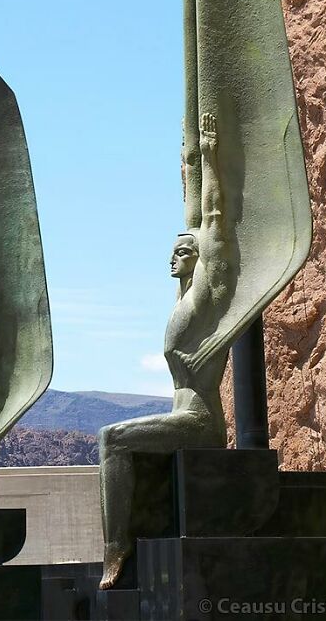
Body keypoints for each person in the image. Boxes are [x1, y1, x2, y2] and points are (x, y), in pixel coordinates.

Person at [98, 114, 237, 589]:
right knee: (114, 439)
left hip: (199, 420)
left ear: (199, 258)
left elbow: (213, 218)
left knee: (112, 438)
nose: (173, 256)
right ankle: (125, 542)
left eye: (181, 250)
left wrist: (212, 157)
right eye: (173, 250)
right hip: (182, 411)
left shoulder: (206, 295)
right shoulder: (179, 305)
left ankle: (117, 548)